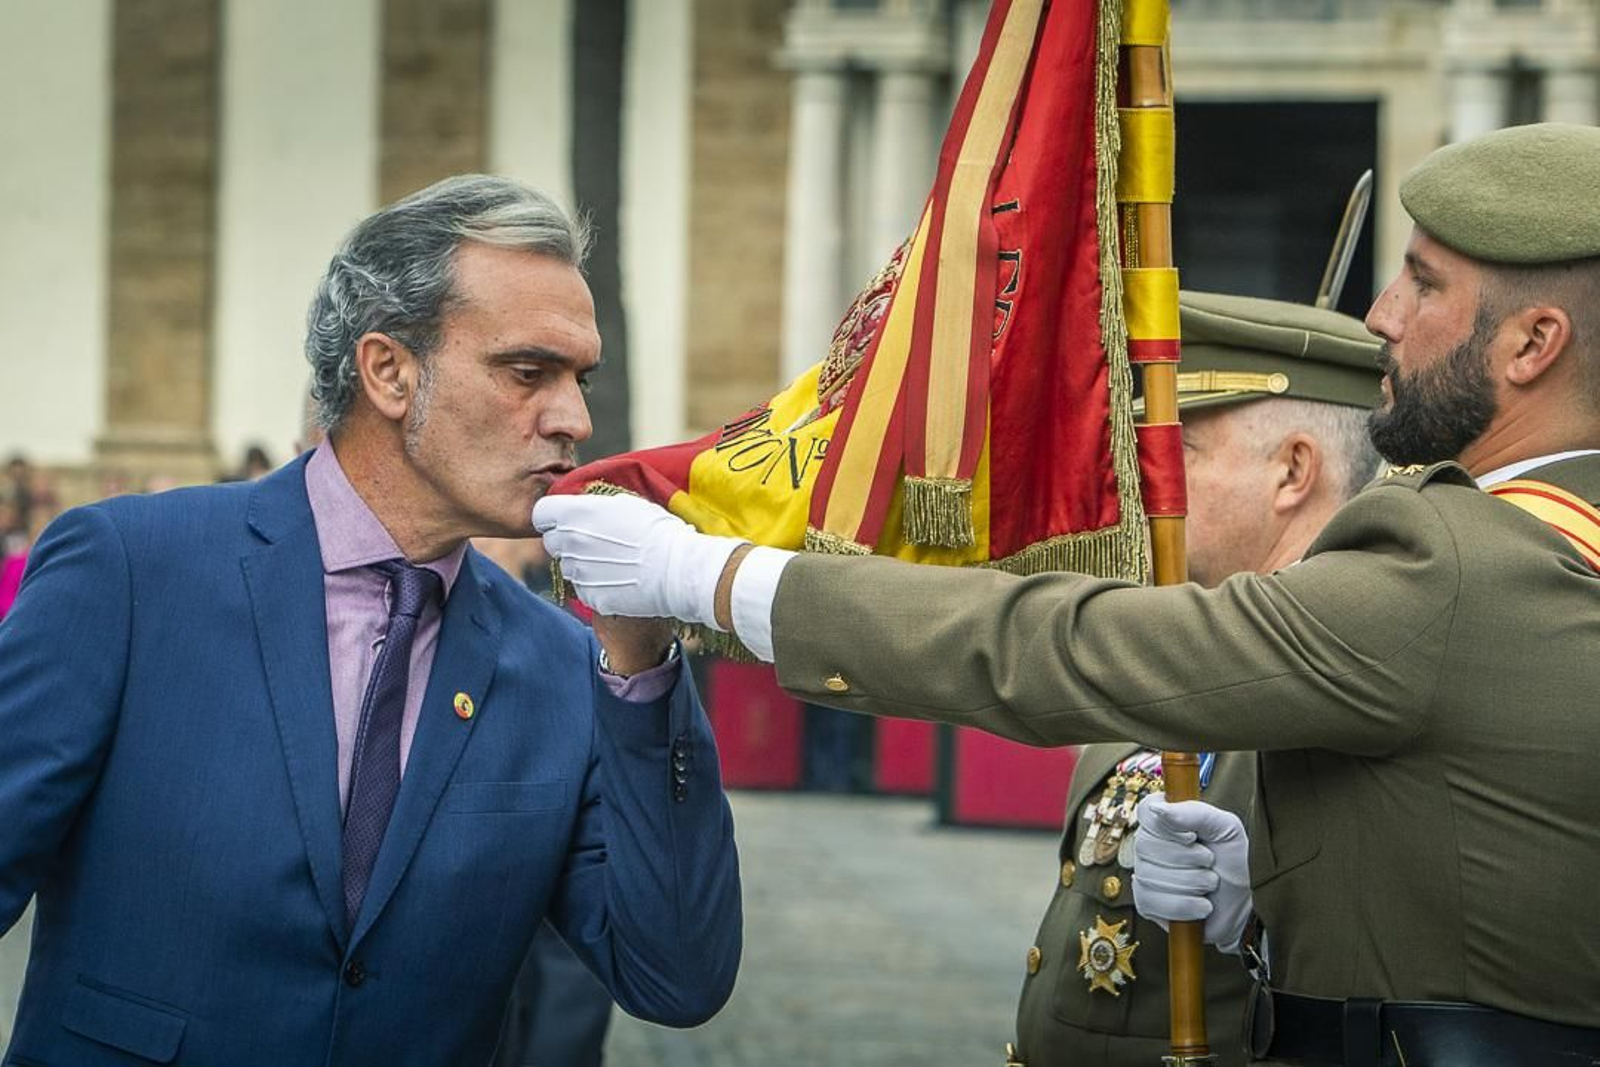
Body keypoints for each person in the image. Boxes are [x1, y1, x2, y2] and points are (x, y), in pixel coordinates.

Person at [535, 123, 1600, 1062]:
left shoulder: (1460, 556)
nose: (1380, 315)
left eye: (1420, 282)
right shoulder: (1550, 552)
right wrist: (1271, 905)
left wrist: (713, 574)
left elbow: (1058, 645)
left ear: (1530, 342)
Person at [0, 175, 741, 1066]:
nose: (573, 418)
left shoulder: (563, 664)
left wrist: (643, 662)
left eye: (578, 377)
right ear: (388, 370)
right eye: (526, 372)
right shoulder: (129, 571)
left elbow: (678, 976)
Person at [1013, 291, 1381, 1067]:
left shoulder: (1354, 671)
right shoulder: (1175, 631)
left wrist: (1272, 912)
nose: (1143, 480)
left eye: (1179, 451)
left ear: (1293, 471)